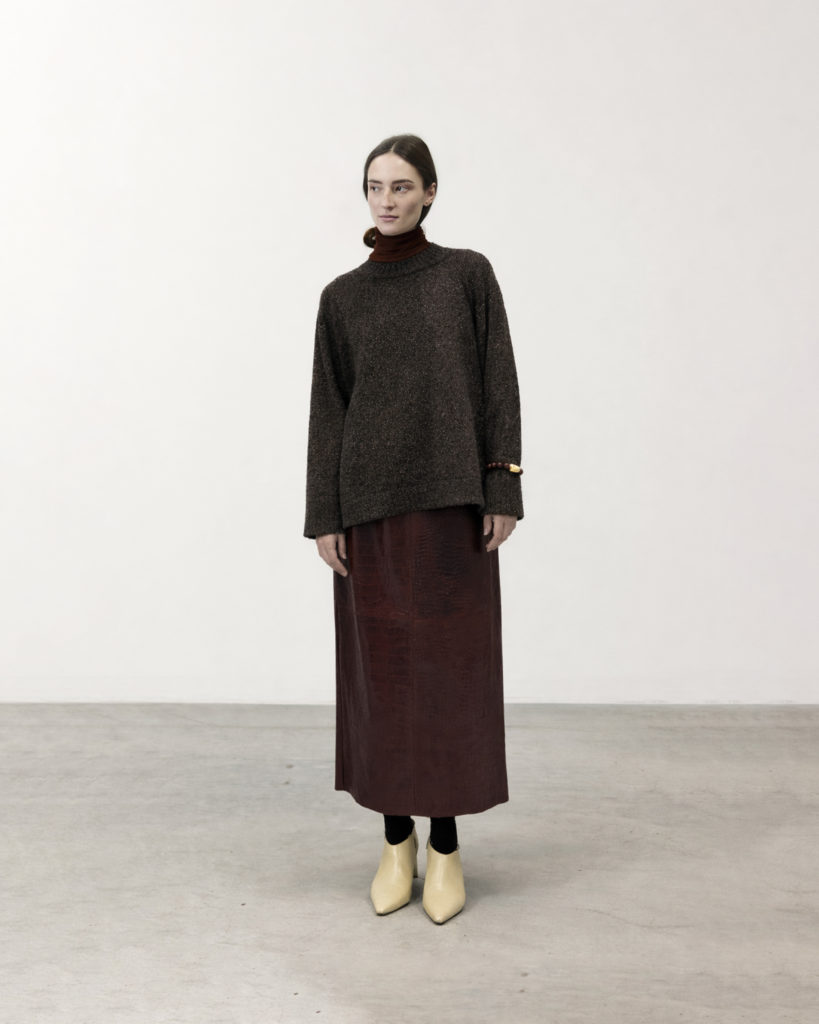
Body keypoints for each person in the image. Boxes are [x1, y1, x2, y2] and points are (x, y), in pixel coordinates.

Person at [303, 133, 523, 924]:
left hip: (453, 506)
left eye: (401, 186)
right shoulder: (342, 297)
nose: (387, 200)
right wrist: (323, 516)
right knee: (385, 678)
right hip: (367, 511)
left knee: (450, 676)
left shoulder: (466, 275)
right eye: (375, 187)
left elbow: (497, 382)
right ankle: (396, 842)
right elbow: (329, 412)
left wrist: (502, 485)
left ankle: (447, 847)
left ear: (430, 192)